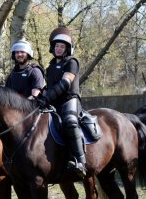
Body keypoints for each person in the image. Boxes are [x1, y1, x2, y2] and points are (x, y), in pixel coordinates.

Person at [39, 27, 86, 178]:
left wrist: (48, 97)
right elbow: (49, 86)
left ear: (67, 49)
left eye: (62, 46)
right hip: (53, 102)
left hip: (69, 100)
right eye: (57, 46)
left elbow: (65, 84)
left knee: (70, 122)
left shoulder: (72, 62)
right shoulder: (50, 67)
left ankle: (80, 162)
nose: (59, 49)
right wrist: (41, 96)